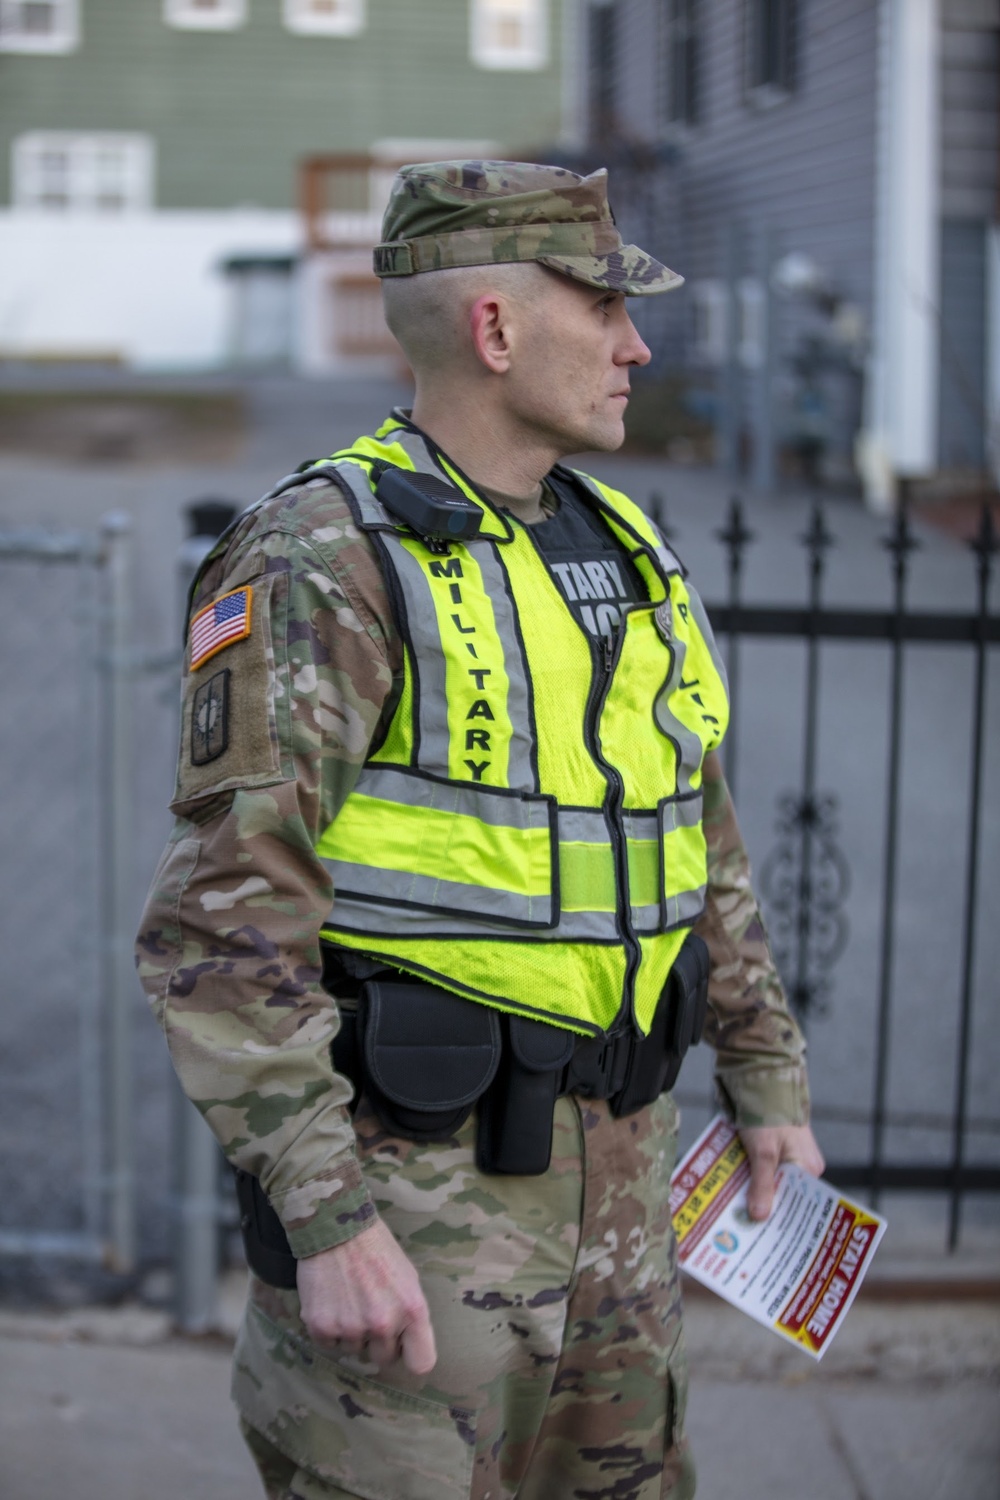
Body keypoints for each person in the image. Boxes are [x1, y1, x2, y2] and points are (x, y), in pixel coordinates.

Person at [136, 160, 823, 1500]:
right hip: (420, 1230)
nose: (637, 344)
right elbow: (223, 925)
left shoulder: (621, 545)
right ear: (497, 330)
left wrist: (768, 1085)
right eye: (607, 306)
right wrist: (324, 1219)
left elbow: (702, 839)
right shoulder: (323, 558)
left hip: (624, 1216)